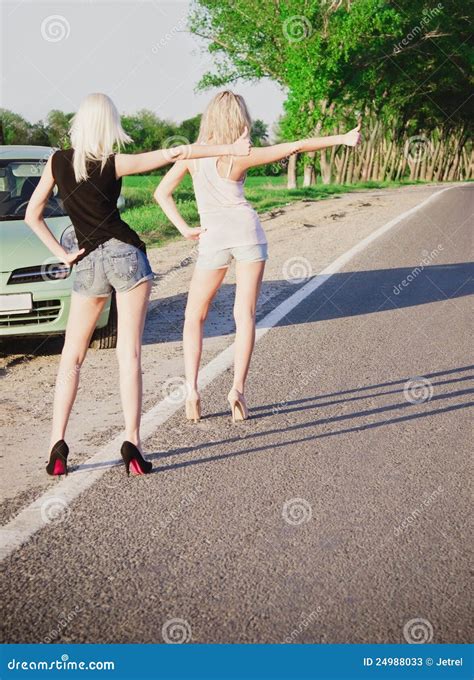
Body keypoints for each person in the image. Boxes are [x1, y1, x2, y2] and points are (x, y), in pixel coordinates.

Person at [25, 92, 251, 476]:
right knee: (128, 355)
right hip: (126, 256)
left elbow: (33, 215)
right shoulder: (115, 163)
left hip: (87, 262)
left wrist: (62, 255)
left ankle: (57, 447)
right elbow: (176, 153)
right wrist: (229, 145)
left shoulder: (57, 161)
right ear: (108, 125)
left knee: (72, 356)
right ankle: (132, 444)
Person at [154, 90, 361, 423]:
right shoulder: (242, 155)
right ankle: (237, 391)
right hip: (248, 233)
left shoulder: (191, 156)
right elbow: (296, 145)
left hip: (212, 238)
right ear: (239, 119)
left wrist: (184, 229)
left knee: (195, 315)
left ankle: (192, 391)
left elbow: (161, 193)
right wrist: (343, 138)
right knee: (245, 314)